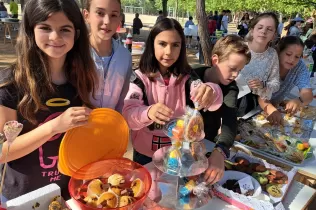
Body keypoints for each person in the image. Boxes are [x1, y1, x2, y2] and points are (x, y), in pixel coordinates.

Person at [0, 0, 97, 201]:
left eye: (65, 29)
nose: (55, 37)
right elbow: (4, 152)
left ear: (76, 34)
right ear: (31, 30)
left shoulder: (82, 79)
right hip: (23, 198)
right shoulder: (11, 83)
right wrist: (54, 127)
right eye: (45, 28)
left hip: (68, 194)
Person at [122, 18, 223, 166]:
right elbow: (129, 115)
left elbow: (209, 98)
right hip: (145, 155)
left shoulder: (187, 77)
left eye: (175, 45)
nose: (169, 52)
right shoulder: (138, 78)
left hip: (179, 152)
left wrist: (211, 90)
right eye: (162, 44)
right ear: (152, 45)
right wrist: (148, 113)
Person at [193, 35, 251, 184]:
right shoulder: (192, 75)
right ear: (215, 60)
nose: (236, 75)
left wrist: (220, 150)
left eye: (240, 70)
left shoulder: (231, 88)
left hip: (206, 145)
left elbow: (230, 121)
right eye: (232, 68)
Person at [83, 0, 132, 113]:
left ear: (120, 19)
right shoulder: (75, 52)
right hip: (78, 128)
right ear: (87, 15)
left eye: (113, 15)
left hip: (111, 126)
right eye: (100, 13)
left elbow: (122, 100)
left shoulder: (124, 57)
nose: (107, 21)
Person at [258, 36, 313, 125]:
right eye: (288, 54)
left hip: (277, 107)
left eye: (297, 57)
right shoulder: (269, 64)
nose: (292, 60)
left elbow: (308, 94)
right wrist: (272, 110)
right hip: (255, 109)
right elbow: (261, 98)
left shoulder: (299, 67)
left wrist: (299, 101)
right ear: (279, 51)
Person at [237, 12, 280, 116]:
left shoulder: (272, 54)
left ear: (274, 35)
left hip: (255, 103)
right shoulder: (238, 48)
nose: (264, 32)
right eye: (260, 27)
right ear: (252, 31)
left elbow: (275, 83)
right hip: (231, 98)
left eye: (269, 29)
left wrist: (263, 84)